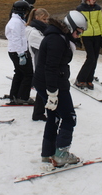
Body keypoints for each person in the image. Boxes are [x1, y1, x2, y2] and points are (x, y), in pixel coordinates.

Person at [33, 10, 87, 167]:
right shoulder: (56, 40)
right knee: (69, 117)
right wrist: (52, 93)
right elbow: (50, 68)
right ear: (70, 28)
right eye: (78, 32)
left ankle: (48, 153)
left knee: (54, 116)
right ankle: (61, 154)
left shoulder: (60, 37)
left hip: (51, 82)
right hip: (52, 84)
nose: (79, 36)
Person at [75, 0, 102, 90]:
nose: (95, 0)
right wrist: (77, 37)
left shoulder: (97, 8)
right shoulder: (80, 9)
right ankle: (80, 79)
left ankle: (89, 79)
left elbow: (101, 22)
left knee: (95, 58)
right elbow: (78, 23)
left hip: (96, 35)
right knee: (91, 58)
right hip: (86, 35)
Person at [5, 0, 34, 105]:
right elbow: (16, 39)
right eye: (26, 11)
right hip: (18, 52)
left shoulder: (16, 20)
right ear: (22, 11)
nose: (27, 13)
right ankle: (22, 97)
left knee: (19, 73)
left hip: (15, 51)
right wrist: (21, 54)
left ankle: (14, 95)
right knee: (28, 74)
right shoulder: (16, 22)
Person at [25, 8, 50, 121]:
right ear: (37, 18)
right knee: (42, 89)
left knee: (43, 89)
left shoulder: (40, 30)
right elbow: (46, 45)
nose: (46, 21)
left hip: (44, 64)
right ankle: (39, 113)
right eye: (44, 19)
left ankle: (40, 112)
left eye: (47, 19)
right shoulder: (34, 32)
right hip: (40, 65)